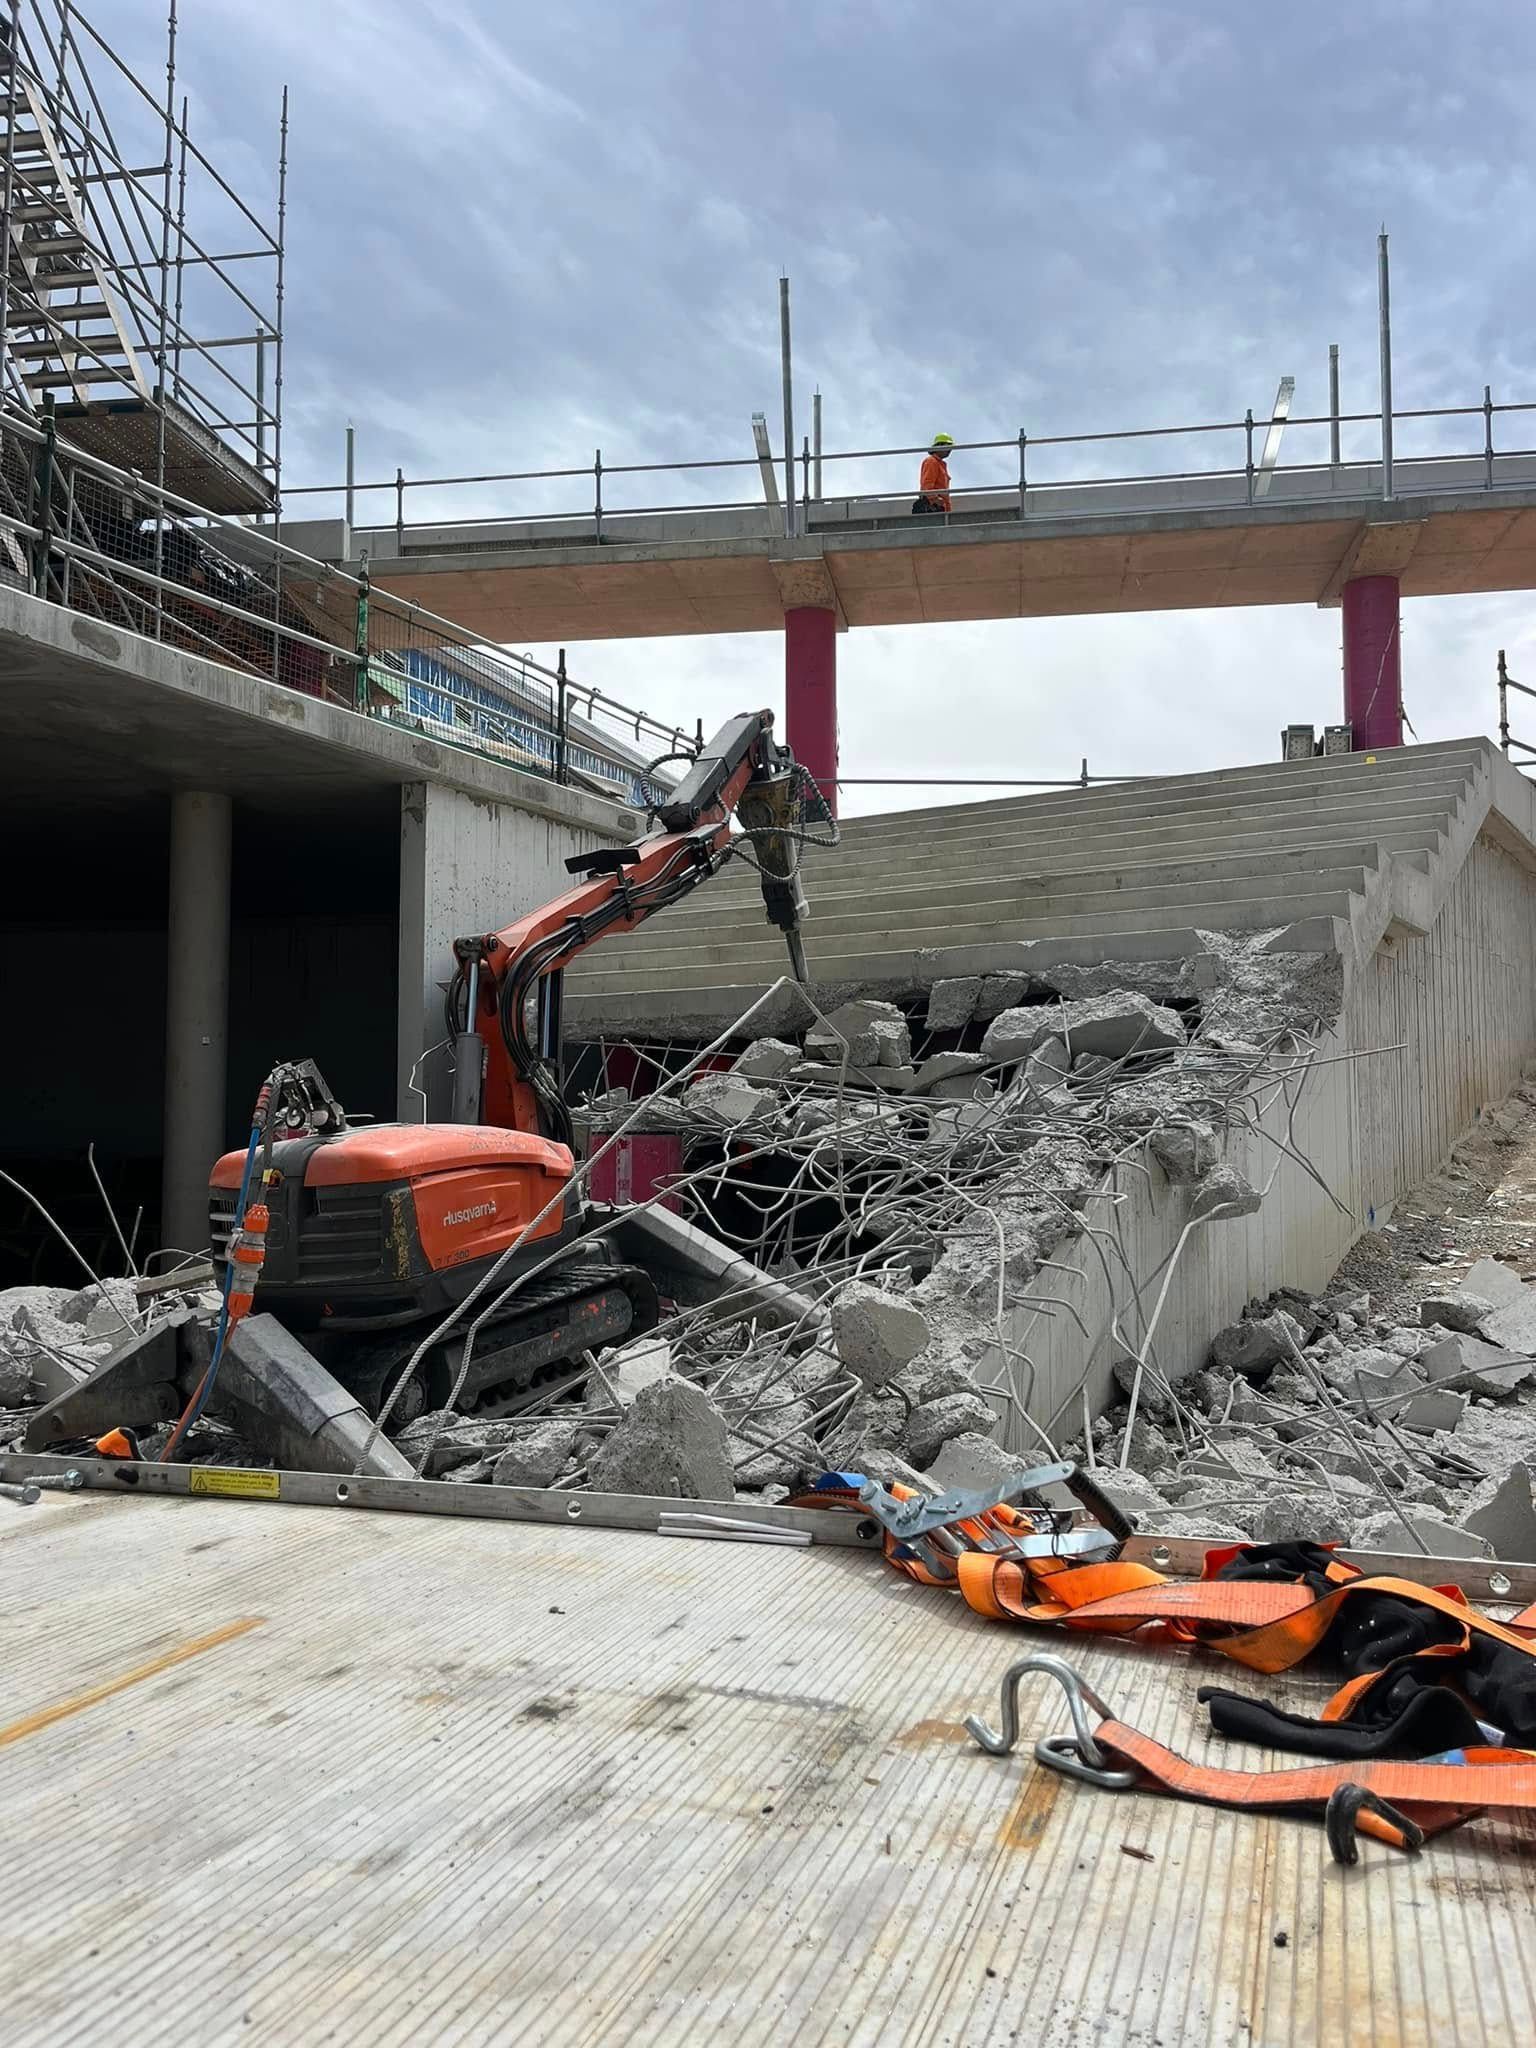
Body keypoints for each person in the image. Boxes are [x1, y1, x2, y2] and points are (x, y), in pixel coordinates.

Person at [915, 433, 954, 514]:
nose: (950, 450)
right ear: (939, 446)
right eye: (948, 446)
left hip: (940, 507)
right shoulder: (932, 461)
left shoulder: (941, 464)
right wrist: (934, 499)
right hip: (933, 506)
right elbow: (927, 484)